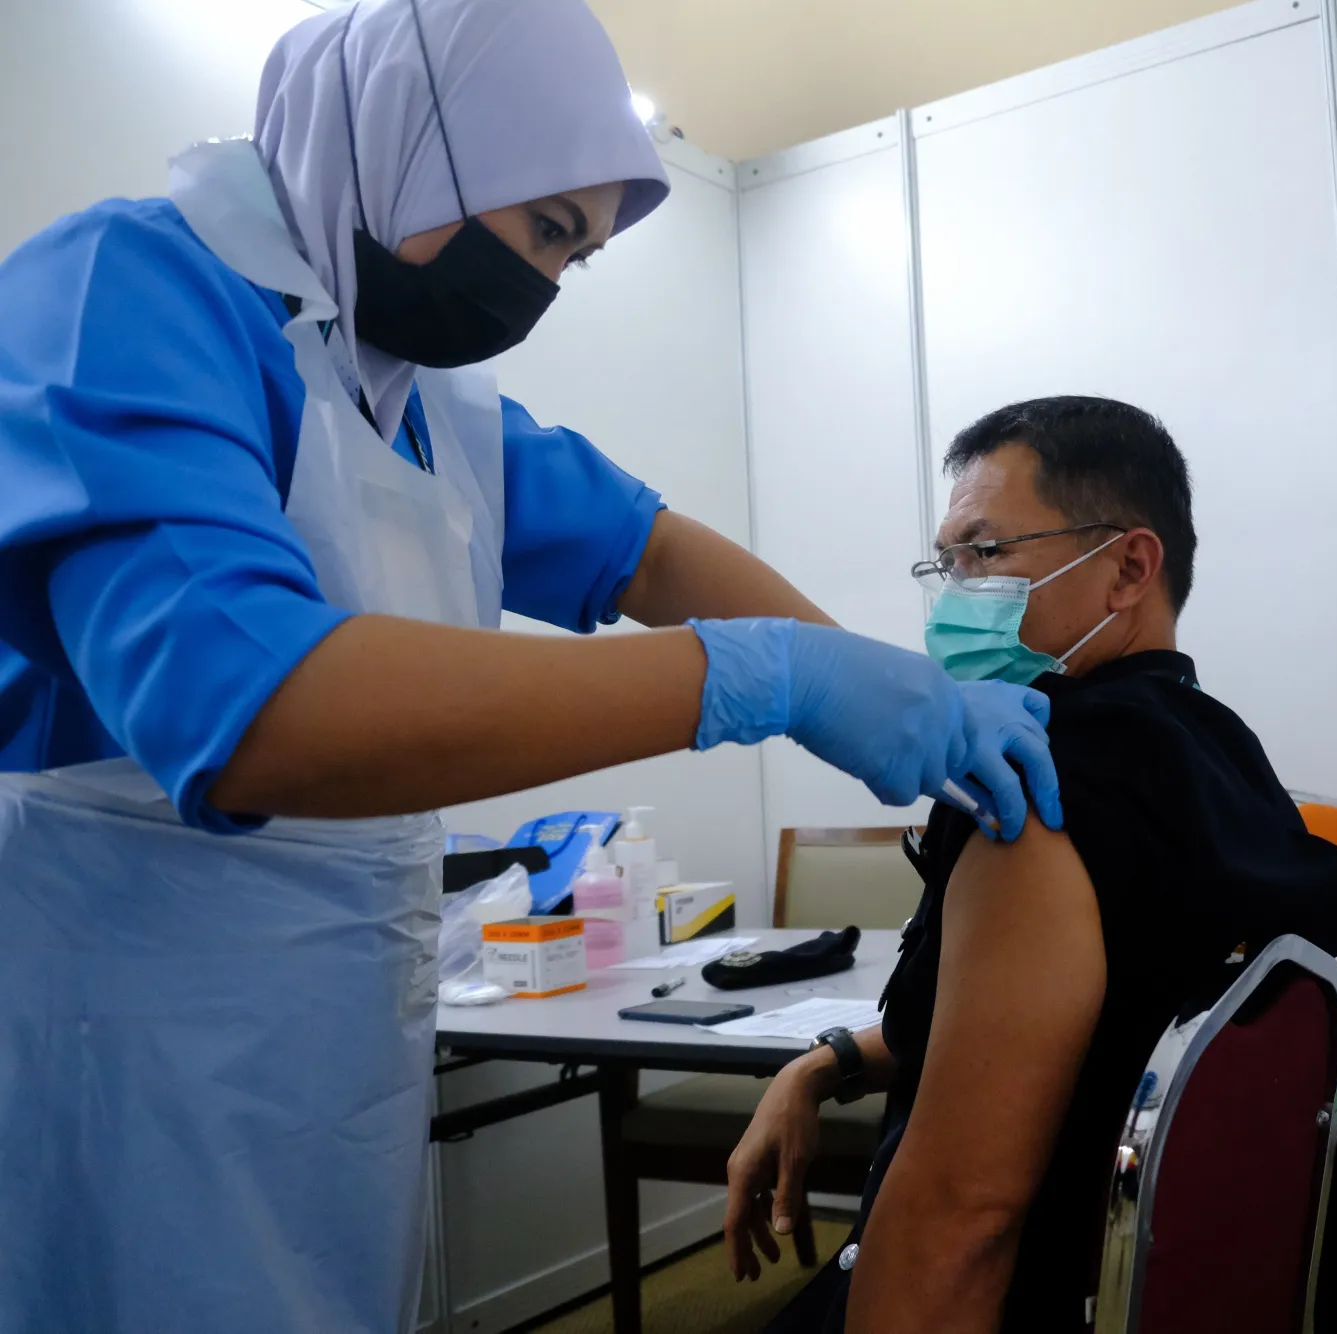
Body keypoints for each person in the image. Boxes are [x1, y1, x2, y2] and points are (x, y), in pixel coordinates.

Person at [0, 4, 1058, 1331]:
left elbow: (649, 552)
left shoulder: (431, 406)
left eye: (581, 256)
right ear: (415, 143)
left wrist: (896, 684)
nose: (546, 288)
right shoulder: (129, 294)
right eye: (546, 228)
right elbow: (255, 708)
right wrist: (765, 677)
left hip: (338, 1026)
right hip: (128, 1019)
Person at [722, 396, 1337, 1333]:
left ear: (1129, 566)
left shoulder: (1035, 787)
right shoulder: (1209, 745)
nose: (956, 592)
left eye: (987, 554)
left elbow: (964, 1215)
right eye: (945, 561)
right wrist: (822, 1067)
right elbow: (1083, 1025)